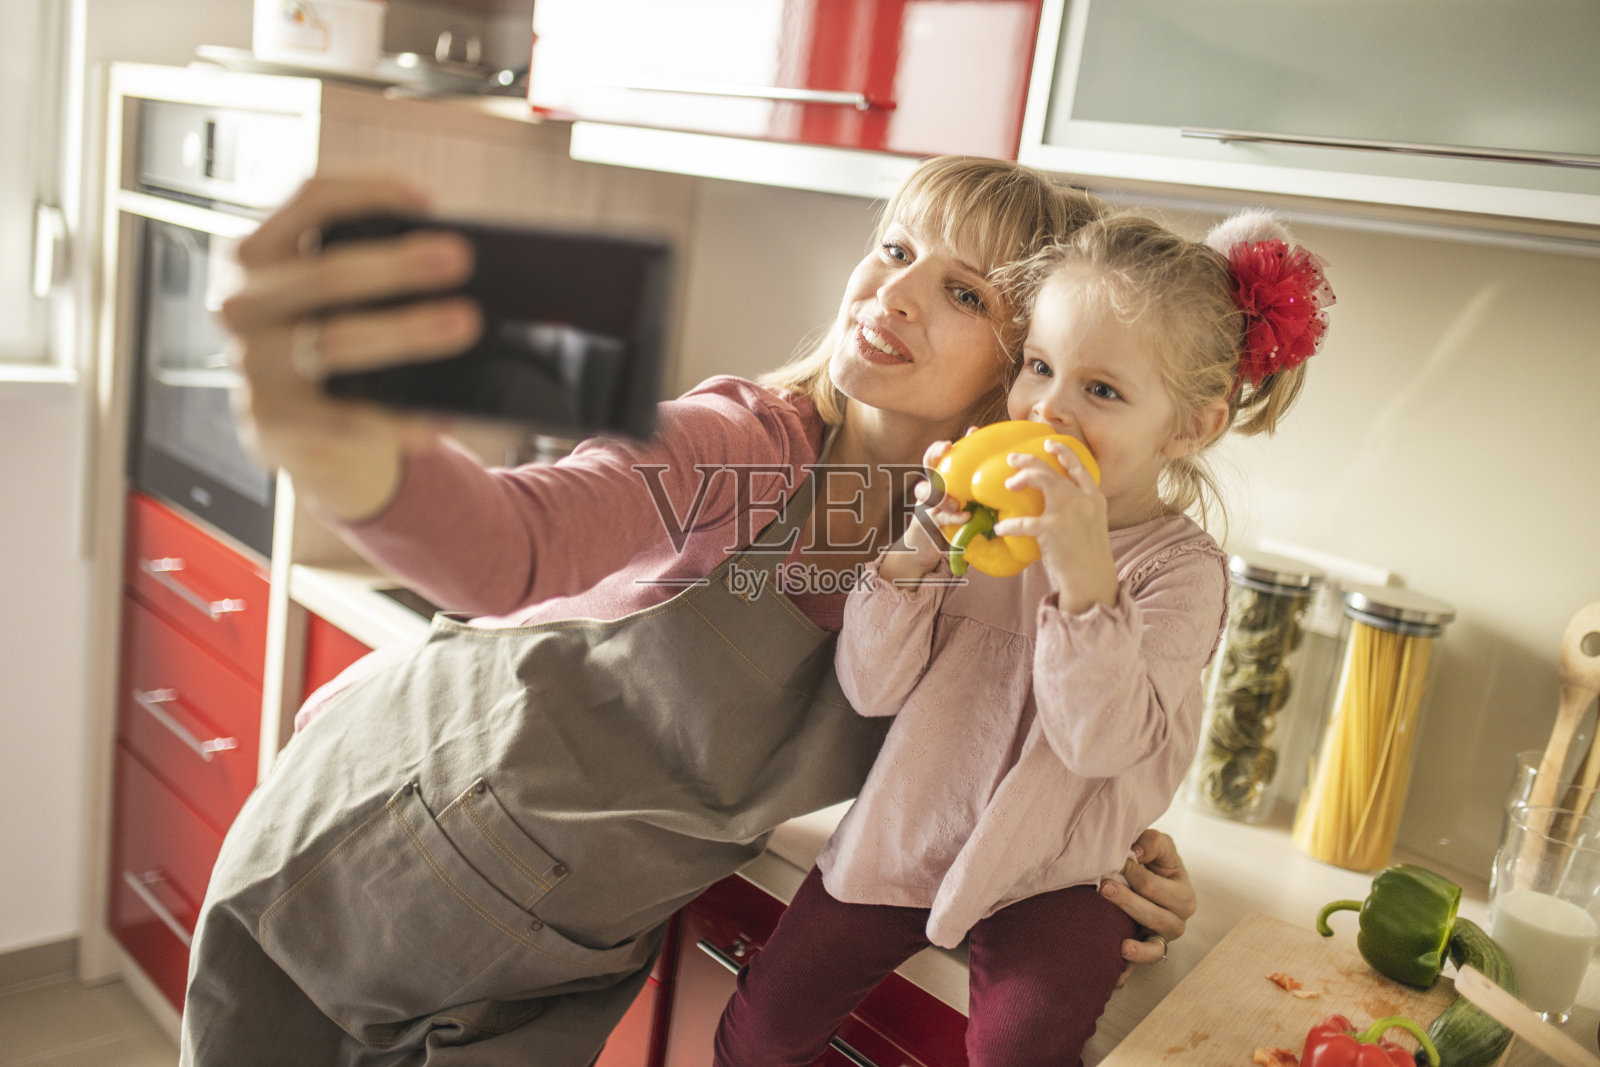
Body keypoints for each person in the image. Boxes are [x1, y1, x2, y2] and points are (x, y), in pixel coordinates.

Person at [180, 157, 1199, 1067]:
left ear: (1021, 377)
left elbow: (1019, 740)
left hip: (558, 956)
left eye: (962, 291)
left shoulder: (984, 561)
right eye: (892, 247)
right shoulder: (745, 450)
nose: (890, 293)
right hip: (389, 853)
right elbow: (512, 543)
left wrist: (1118, 841)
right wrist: (358, 452)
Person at [714, 210, 1335, 1066]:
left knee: (1021, 1046)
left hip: (1066, 873)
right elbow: (871, 686)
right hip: (907, 829)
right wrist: (922, 544)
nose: (1048, 407)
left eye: (1102, 390)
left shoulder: (1181, 572)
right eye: (1039, 367)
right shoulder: (971, 516)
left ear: (1190, 426)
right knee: (760, 1034)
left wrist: (1084, 575)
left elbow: (1099, 741)